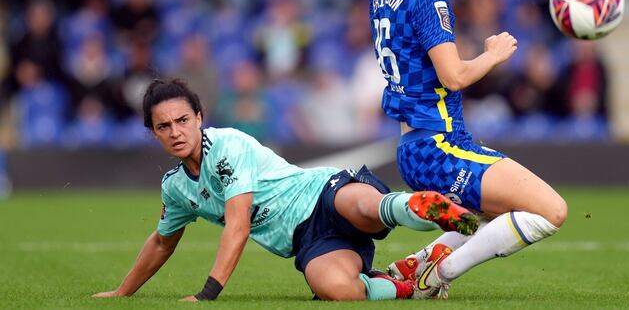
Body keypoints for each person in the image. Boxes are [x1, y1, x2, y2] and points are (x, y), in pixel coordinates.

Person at [348, 0, 568, 299]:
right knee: (551, 211)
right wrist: (492, 55)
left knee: (487, 217)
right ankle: (440, 272)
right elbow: (455, 75)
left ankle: (416, 265)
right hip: (438, 144)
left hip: (421, 146)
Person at [91, 78, 479, 302]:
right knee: (336, 290)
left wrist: (207, 294)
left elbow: (238, 226)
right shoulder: (176, 188)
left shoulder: (226, 147)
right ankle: (409, 285)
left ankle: (423, 206)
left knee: (365, 205)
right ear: (153, 132)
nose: (175, 132)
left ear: (199, 118)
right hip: (308, 240)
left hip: (321, 192)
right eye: (163, 126)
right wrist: (122, 293)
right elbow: (161, 242)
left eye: (182, 120)